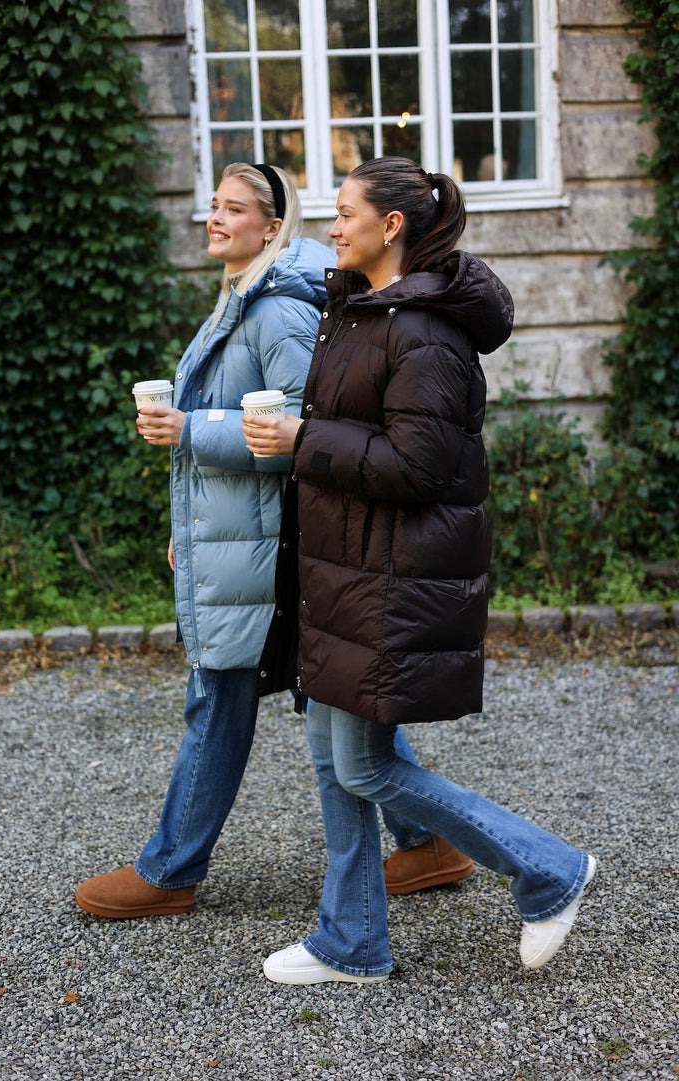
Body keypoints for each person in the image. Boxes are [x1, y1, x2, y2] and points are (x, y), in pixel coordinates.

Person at [75, 162, 471, 920]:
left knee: (224, 691)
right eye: (214, 206)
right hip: (236, 538)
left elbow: (302, 430)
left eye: (235, 209)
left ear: (271, 223)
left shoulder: (277, 308)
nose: (216, 219)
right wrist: (186, 530)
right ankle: (428, 842)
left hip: (270, 545)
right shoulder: (239, 297)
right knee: (330, 700)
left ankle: (171, 869)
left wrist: (191, 428)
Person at [243, 156, 597, 984]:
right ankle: (353, 940)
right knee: (333, 756)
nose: (331, 227)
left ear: (391, 225)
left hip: (393, 573)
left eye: (344, 212)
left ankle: (547, 868)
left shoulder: (427, 330)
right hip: (345, 564)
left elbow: (422, 465)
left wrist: (304, 442)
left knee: (363, 763)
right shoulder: (358, 310)